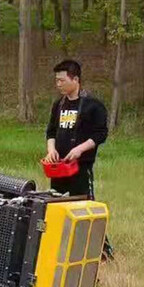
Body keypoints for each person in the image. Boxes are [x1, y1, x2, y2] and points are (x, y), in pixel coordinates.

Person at [44, 59, 113, 258]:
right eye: (56, 81)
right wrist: (51, 150)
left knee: (86, 209)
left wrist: (80, 149)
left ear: (75, 79)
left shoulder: (93, 106)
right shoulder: (59, 105)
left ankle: (102, 251)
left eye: (62, 80)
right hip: (58, 168)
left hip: (80, 168)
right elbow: (51, 131)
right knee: (57, 206)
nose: (58, 84)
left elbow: (101, 134)